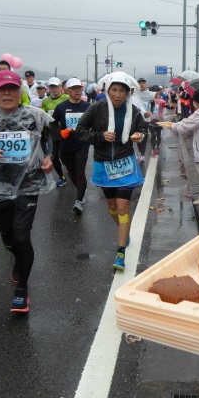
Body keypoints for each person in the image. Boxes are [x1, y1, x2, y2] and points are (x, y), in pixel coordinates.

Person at [0, 70, 54, 313]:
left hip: (28, 183)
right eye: (2, 89)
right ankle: (18, 258)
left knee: (22, 236)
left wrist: (48, 157)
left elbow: (47, 139)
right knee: (8, 237)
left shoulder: (35, 116)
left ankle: (22, 290)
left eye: (12, 89)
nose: (7, 93)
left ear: (20, 91)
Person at [75, 72, 146, 271]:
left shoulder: (133, 110)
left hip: (126, 163)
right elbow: (80, 131)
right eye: (114, 90)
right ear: (108, 90)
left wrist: (139, 135)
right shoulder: (96, 108)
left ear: (127, 93)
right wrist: (99, 136)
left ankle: (121, 252)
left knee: (123, 208)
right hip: (103, 164)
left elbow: (142, 128)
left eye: (122, 91)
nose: (118, 94)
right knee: (113, 208)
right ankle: (124, 230)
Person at [54, 78, 91, 214]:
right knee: (72, 172)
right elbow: (52, 124)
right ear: (67, 90)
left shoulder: (87, 107)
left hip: (82, 144)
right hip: (66, 146)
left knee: (80, 170)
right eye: (74, 88)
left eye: (79, 88)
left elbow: (95, 123)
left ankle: (79, 201)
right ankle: (81, 189)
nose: (77, 91)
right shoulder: (61, 107)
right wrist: (60, 132)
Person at [41, 77, 69, 186]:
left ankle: (69, 168)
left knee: (65, 155)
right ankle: (62, 177)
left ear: (61, 87)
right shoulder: (45, 101)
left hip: (66, 131)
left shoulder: (67, 97)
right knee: (54, 156)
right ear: (49, 88)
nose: (54, 89)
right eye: (52, 87)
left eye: (56, 86)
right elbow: (43, 116)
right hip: (52, 131)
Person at [134, 77, 153, 165]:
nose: (141, 84)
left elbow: (153, 103)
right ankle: (134, 153)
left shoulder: (150, 94)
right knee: (134, 137)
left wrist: (151, 112)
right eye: (140, 83)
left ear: (146, 85)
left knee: (143, 137)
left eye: (143, 83)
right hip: (135, 119)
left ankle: (142, 155)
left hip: (145, 119)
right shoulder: (133, 93)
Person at [149, 88, 167, 156]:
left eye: (157, 92)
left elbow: (166, 105)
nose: (156, 93)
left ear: (159, 92)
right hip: (151, 120)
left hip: (160, 121)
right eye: (154, 92)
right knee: (153, 135)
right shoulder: (150, 101)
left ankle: (158, 147)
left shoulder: (161, 101)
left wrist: (172, 106)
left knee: (159, 135)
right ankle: (153, 149)